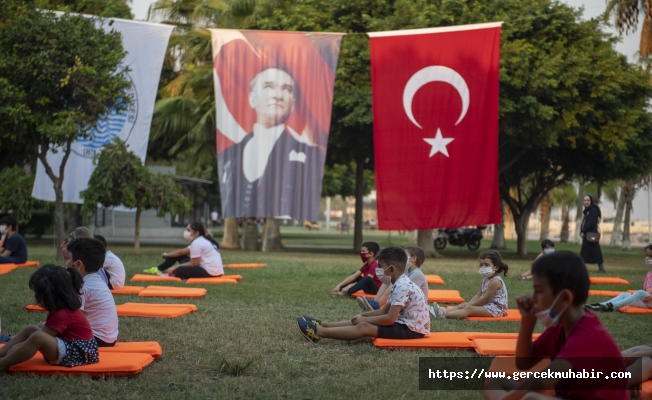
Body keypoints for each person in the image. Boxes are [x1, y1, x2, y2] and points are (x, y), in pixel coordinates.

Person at [484, 251, 628, 400]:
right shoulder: (559, 328)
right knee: (495, 383)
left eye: (538, 291)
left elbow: (542, 382)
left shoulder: (588, 336)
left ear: (565, 298)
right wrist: (527, 322)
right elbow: (523, 363)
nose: (533, 298)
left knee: (532, 398)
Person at [219, 67, 325, 220]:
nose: (277, 95)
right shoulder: (227, 156)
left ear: (293, 104)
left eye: (286, 89)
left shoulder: (311, 155)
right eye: (268, 86)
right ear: (252, 99)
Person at [296, 246, 430, 342]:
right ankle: (323, 324)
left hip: (411, 330)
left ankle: (318, 332)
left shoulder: (402, 286)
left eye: (381, 267)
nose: (378, 270)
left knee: (363, 326)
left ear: (392, 269)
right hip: (404, 324)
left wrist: (365, 319)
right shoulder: (399, 282)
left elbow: (389, 318)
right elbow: (384, 310)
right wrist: (363, 315)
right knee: (360, 320)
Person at [0, 264, 99, 370]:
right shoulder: (60, 308)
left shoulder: (63, 313)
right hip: (70, 346)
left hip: (79, 353)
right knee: (30, 329)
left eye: (38, 295)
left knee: (38, 337)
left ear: (50, 296)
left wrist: (18, 348)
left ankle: (3, 364)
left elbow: (43, 337)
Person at [65, 238, 118, 347]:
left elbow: (71, 318)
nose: (66, 263)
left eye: (68, 258)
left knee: (44, 337)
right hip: (109, 338)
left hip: (97, 339)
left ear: (78, 264)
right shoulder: (96, 280)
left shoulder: (83, 287)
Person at [430, 250, 508, 319]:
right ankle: (442, 311)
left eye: (486, 265)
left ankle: (444, 315)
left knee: (469, 309)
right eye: (481, 265)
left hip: (497, 309)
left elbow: (485, 299)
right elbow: (478, 295)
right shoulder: (484, 279)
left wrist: (470, 305)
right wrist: (468, 303)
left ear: (496, 267)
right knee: (463, 305)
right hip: (488, 306)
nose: (483, 267)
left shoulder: (495, 281)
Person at [357, 246, 428, 312]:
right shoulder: (408, 272)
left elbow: (406, 291)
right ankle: (376, 302)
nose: (401, 259)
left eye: (404, 256)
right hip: (408, 303)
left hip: (416, 308)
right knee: (390, 281)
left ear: (413, 258)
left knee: (394, 283)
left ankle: (378, 304)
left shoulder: (417, 274)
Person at [144, 222, 224, 280]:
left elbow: (194, 263)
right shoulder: (201, 240)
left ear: (196, 233)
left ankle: (167, 270)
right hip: (214, 270)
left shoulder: (198, 243)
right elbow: (182, 254)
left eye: (188, 230)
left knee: (179, 271)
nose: (186, 232)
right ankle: (160, 269)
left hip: (211, 272)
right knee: (178, 256)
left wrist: (175, 267)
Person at [586, 243, 652, 312]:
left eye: (650, 256)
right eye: (646, 255)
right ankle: (602, 304)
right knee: (624, 294)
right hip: (647, 302)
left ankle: (613, 306)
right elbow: (646, 290)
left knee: (640, 292)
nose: (647, 258)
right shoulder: (649, 274)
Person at [580, 194, 605, 273]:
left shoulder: (592, 210)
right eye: (584, 200)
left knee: (587, 252)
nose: (586, 202)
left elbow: (591, 223)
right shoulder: (587, 211)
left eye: (588, 200)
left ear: (591, 201)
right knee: (593, 251)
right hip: (589, 235)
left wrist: (583, 231)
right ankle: (601, 268)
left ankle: (582, 268)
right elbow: (585, 222)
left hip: (590, 234)